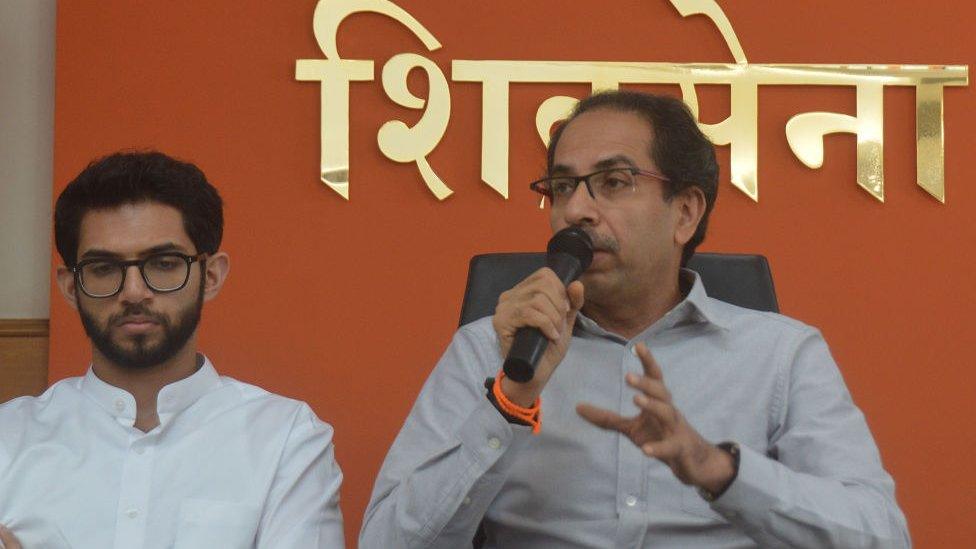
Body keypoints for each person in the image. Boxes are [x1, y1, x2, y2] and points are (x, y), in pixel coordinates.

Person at [359, 91, 910, 548]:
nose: (576, 210)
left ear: (685, 213)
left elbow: (880, 535)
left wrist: (716, 467)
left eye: (614, 182)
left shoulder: (780, 357)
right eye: (563, 186)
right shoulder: (489, 349)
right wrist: (511, 399)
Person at [0, 151, 344, 548]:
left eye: (163, 263)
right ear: (70, 288)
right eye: (103, 268)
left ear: (210, 276)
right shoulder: (9, 440)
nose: (133, 292)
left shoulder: (286, 439)